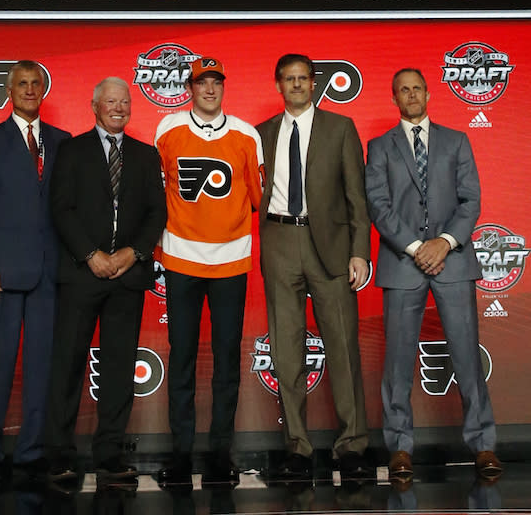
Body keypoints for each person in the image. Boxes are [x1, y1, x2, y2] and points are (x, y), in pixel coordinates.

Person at [365, 68, 501, 484]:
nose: (410, 95)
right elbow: (378, 204)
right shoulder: (379, 146)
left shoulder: (457, 141)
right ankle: (400, 449)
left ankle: (483, 446)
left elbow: (470, 199)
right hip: (403, 263)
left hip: (453, 261)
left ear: (428, 93)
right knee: (398, 364)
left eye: (416, 88)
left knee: (466, 357)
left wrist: (443, 242)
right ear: (394, 99)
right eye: (402, 90)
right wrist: (414, 248)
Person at [45, 77, 166, 489]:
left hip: (127, 277)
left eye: (124, 101)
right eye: (110, 102)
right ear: (94, 106)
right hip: (82, 274)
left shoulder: (146, 155)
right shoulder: (71, 150)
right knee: (67, 366)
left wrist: (131, 254)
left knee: (118, 369)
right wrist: (90, 255)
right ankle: (59, 455)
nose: (118, 108)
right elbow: (60, 208)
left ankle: (110, 456)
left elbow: (157, 214)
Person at [257, 53, 371, 481]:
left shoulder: (340, 128)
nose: (297, 85)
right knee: (287, 352)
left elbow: (356, 197)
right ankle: (298, 449)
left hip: (331, 244)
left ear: (314, 82)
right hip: (279, 240)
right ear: (278, 84)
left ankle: (352, 445)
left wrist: (359, 250)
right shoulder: (262, 132)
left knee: (342, 346)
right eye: (289, 79)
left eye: (303, 78)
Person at [154, 57, 264, 488]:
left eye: (217, 82)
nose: (210, 89)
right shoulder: (168, 129)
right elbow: (158, 186)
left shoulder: (245, 134)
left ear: (223, 87)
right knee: (180, 358)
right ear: (190, 87)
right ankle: (181, 454)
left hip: (230, 263)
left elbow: (256, 197)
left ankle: (220, 454)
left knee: (226, 362)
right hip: (181, 260)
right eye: (203, 83)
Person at [0, 60, 70, 487]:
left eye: (35, 83)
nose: (29, 89)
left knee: (43, 365)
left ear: (44, 90)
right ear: (9, 91)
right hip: (0, 273)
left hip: (49, 272)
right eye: (22, 84)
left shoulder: (63, 142)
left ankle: (31, 451)